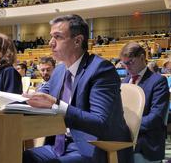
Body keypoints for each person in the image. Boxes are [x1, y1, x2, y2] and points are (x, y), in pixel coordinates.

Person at [23, 14, 132, 163]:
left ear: (77, 41)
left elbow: (101, 122)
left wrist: (57, 105)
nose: (51, 43)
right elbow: (42, 96)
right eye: (51, 37)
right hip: (59, 146)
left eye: (58, 37)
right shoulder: (59, 71)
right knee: (17, 156)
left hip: (94, 146)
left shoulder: (101, 70)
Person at [119, 42, 169, 162]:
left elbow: (156, 117)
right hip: (125, 136)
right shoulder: (124, 82)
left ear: (142, 57)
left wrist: (127, 129)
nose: (127, 67)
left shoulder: (158, 81)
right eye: (123, 63)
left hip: (146, 138)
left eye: (130, 62)